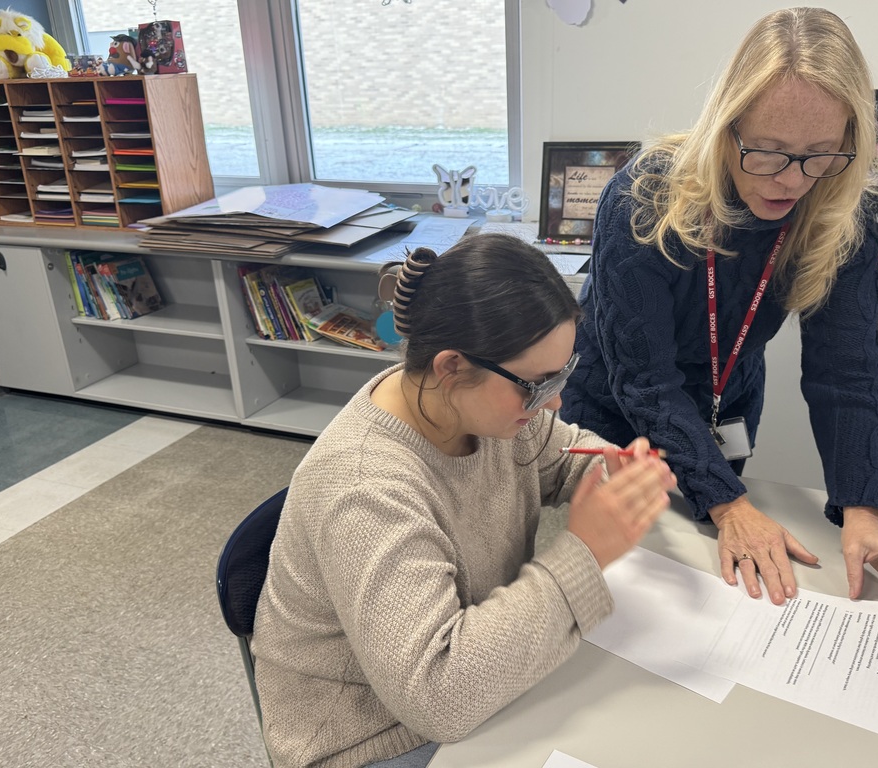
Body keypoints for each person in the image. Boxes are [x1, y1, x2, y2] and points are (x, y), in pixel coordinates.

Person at [560, 7, 878, 607]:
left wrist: (864, 510)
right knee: (620, 597)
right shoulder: (642, 200)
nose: (792, 180)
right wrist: (728, 504)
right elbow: (643, 378)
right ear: (726, 126)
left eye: (820, 153)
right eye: (768, 151)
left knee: (718, 584)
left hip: (726, 408)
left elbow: (845, 371)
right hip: (612, 413)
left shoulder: (836, 215)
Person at [250, 233, 677, 768]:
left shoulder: (490, 413)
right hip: (376, 736)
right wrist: (585, 553)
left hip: (472, 678)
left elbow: (566, 457)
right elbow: (440, 697)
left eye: (561, 375)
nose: (555, 401)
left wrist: (616, 472)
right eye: (536, 383)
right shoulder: (364, 487)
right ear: (452, 367)